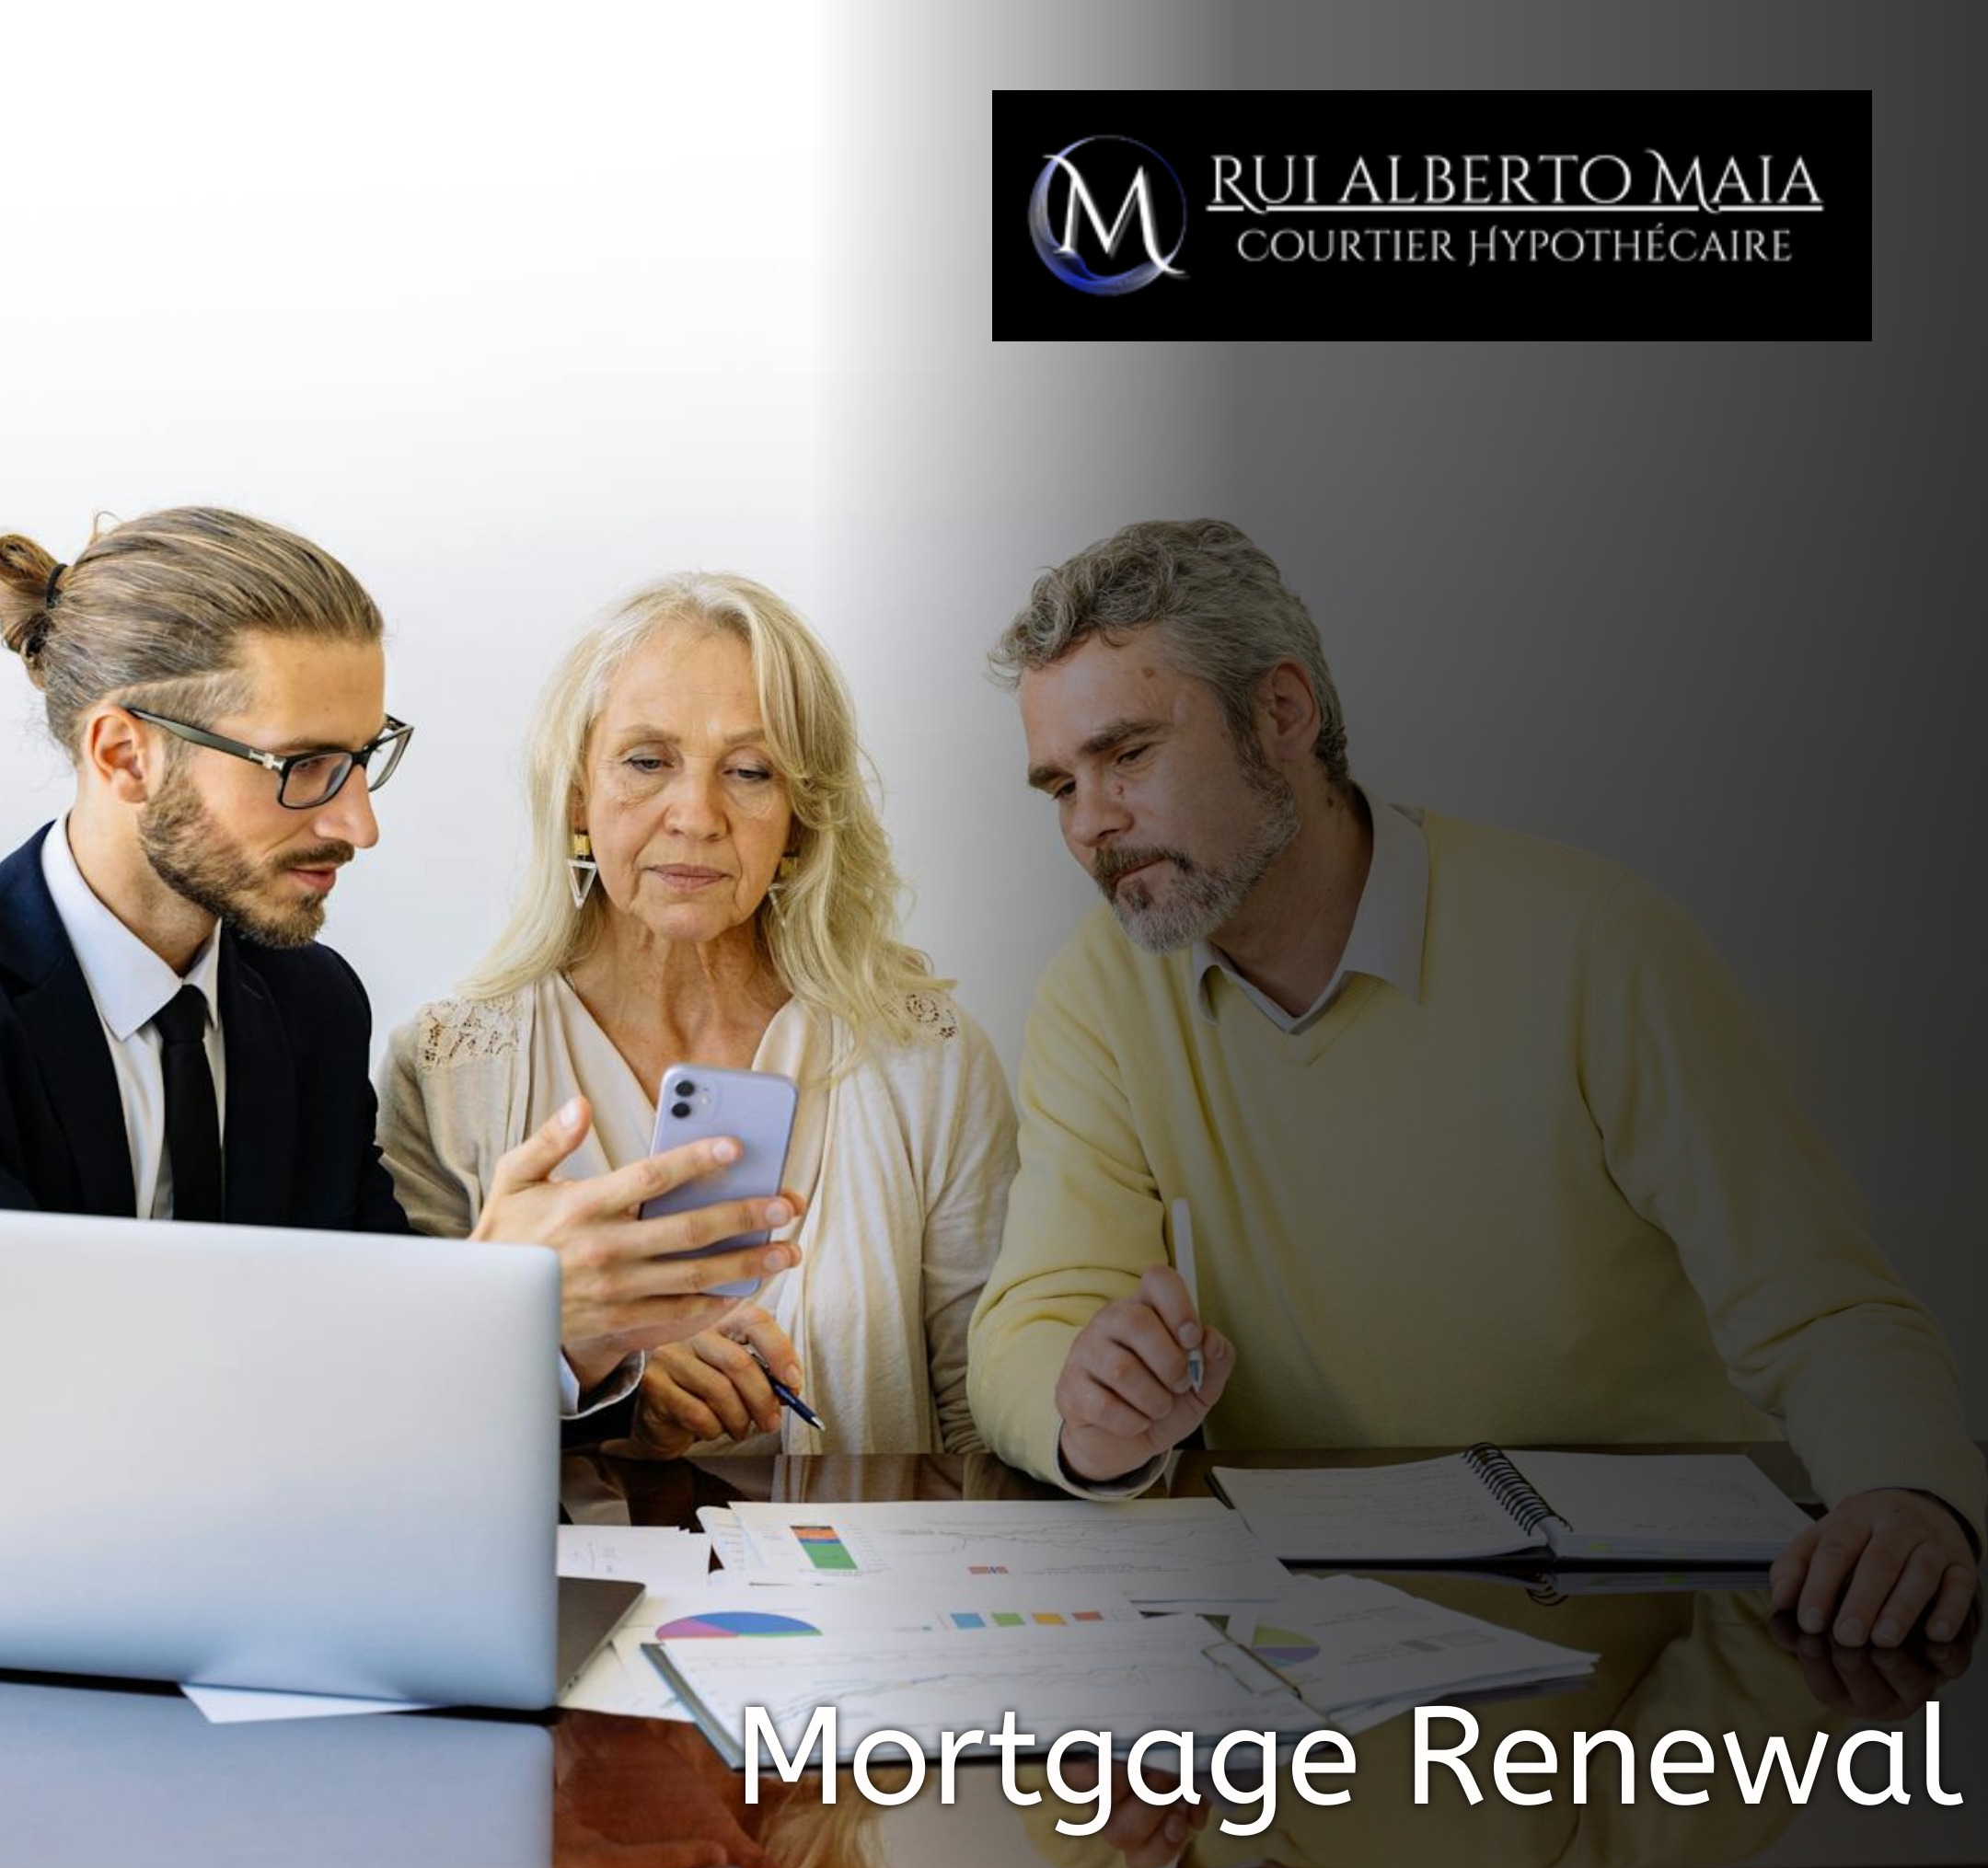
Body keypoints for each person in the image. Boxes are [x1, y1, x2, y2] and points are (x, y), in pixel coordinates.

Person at [966, 517, 1984, 1649]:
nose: (1091, 825)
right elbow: (1030, 1325)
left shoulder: (1597, 947)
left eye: (1128, 756)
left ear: (1283, 713)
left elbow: (1824, 1307)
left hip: (1649, 1639)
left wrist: (1912, 1492)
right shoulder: (1099, 994)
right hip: (1303, 1667)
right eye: (1058, 785)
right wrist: (1090, 1406)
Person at [0, 508, 800, 1415]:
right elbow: (51, 1403)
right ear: (124, 755)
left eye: (362, 759)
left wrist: (583, 1335)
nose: (358, 825)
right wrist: (503, 1299)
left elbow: (369, 1365)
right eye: (301, 766)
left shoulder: (310, 1007)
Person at [378, 571, 1016, 1455]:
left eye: (750, 772)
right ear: (576, 793)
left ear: (799, 816)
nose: (697, 814)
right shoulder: (450, 1068)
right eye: (646, 762)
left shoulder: (924, 1058)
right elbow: (412, 1422)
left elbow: (984, 1416)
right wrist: (591, 1356)